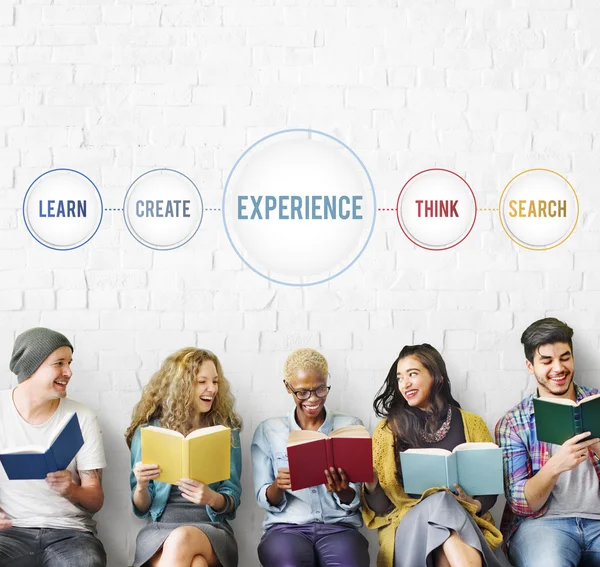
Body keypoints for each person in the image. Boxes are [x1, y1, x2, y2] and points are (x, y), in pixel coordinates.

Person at [362, 343, 508, 567]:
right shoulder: (387, 431)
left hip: (463, 524)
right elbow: (383, 508)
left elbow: (489, 489)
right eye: (400, 378)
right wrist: (371, 483)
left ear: (436, 376)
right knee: (441, 499)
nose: (405, 383)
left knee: (444, 542)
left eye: (413, 374)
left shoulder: (472, 423)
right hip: (410, 528)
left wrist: (475, 505)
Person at [495, 317, 600, 566]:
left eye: (565, 357)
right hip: (541, 526)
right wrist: (555, 466)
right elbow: (521, 504)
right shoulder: (513, 423)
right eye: (547, 361)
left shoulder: (597, 403)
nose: (558, 368)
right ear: (530, 366)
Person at [251, 348, 370, 567]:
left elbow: (356, 497)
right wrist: (279, 486)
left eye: (320, 389)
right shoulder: (269, 431)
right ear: (288, 387)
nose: (313, 399)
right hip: (286, 529)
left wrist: (342, 490)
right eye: (303, 392)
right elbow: (263, 498)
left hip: (339, 528)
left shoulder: (350, 426)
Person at [0, 327, 107, 567]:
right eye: (59, 363)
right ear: (31, 368)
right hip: (10, 532)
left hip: (70, 534)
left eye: (69, 362)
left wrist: (71, 490)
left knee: (87, 563)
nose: (68, 372)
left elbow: (96, 499)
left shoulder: (81, 417)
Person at [125, 347, 242, 567]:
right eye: (202, 382)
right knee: (197, 564)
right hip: (160, 531)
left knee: (183, 538)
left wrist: (211, 498)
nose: (212, 389)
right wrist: (141, 485)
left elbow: (232, 499)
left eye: (215, 381)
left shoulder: (225, 432)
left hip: (212, 529)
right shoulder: (149, 432)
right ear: (182, 386)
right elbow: (141, 509)